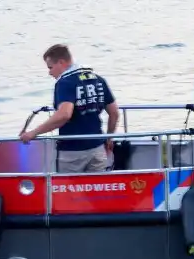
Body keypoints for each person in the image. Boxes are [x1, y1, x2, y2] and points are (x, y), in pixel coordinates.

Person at [19, 44, 119, 173]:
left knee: (68, 190)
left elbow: (64, 115)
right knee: (96, 189)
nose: (49, 72)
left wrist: (33, 133)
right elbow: (114, 113)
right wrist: (109, 138)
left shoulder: (65, 82)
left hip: (72, 151)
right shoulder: (98, 79)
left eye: (50, 67)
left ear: (61, 62)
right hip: (97, 148)